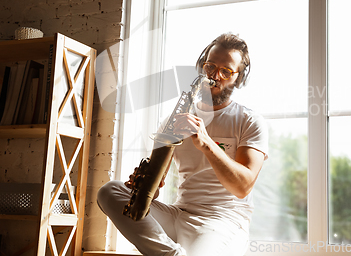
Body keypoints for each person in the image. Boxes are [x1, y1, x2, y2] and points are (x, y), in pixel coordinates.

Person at [97, 33, 269, 256]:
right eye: (210, 67)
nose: (215, 76)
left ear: (238, 78)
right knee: (108, 191)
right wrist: (145, 188)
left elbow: (243, 186)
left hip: (223, 220)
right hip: (178, 214)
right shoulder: (176, 118)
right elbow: (156, 187)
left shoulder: (249, 121)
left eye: (226, 71)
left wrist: (206, 143)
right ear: (202, 67)